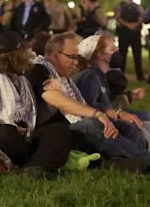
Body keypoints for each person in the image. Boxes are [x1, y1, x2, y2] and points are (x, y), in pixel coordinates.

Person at [26, 32, 150, 168]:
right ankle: (143, 159)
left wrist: (115, 112)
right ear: (55, 55)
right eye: (72, 57)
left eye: (77, 57)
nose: (76, 62)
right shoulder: (39, 70)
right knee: (91, 125)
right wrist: (97, 114)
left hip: (77, 125)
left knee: (126, 126)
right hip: (59, 131)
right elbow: (59, 100)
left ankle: (133, 160)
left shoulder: (65, 77)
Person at [0, 30, 72, 176]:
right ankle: (24, 166)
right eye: (25, 51)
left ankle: (34, 168)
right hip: (4, 142)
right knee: (4, 133)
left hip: (26, 138)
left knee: (59, 130)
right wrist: (12, 126)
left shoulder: (22, 79)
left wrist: (55, 98)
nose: (29, 54)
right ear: (16, 55)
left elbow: (36, 117)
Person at [75, 33, 150, 141]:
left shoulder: (101, 75)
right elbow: (91, 108)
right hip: (106, 127)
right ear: (101, 55)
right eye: (113, 48)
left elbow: (108, 103)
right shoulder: (90, 76)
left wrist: (130, 95)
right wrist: (119, 113)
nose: (117, 51)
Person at [115, 0, 145, 81]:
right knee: (122, 54)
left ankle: (140, 76)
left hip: (135, 33)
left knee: (137, 54)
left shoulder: (136, 6)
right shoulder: (120, 6)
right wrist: (128, 25)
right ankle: (120, 75)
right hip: (124, 33)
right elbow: (118, 17)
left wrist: (136, 24)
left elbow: (142, 16)